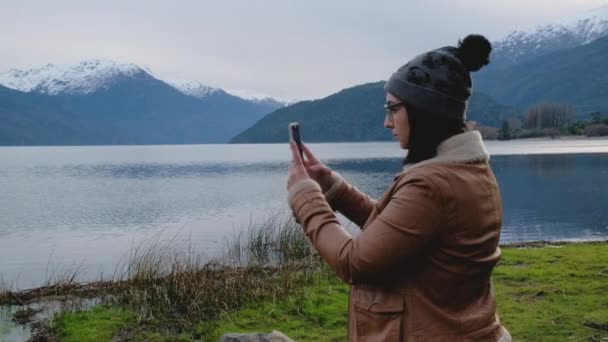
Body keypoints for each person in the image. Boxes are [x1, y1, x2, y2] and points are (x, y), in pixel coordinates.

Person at [287, 34, 511, 341]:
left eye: (393, 109)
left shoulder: (431, 185)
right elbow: (397, 232)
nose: (387, 122)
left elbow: (353, 262)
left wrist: (305, 197)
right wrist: (334, 188)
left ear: (423, 111)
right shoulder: (466, 171)